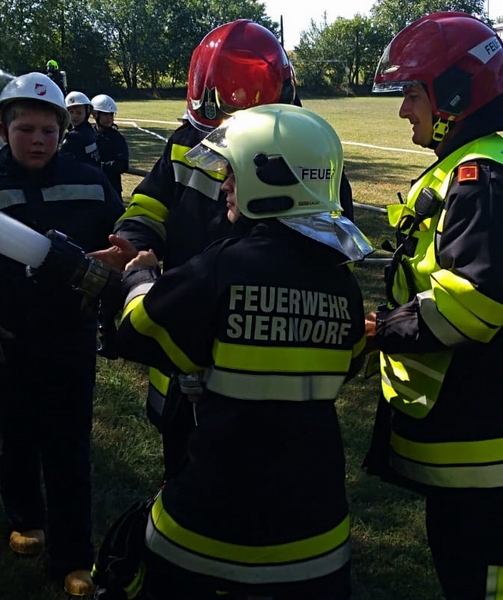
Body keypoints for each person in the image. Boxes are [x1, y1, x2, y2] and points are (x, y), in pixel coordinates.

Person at [92, 103, 371, 599]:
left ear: (270, 179)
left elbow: (139, 331)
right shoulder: (342, 284)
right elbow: (349, 362)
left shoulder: (222, 268)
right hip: (318, 538)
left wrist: (141, 276)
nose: (223, 185)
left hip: (206, 529)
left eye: (233, 173)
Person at [362, 12, 503, 600]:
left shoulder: (478, 178)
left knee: (487, 583)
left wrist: (380, 329)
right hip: (488, 436)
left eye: (412, 94)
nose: (403, 110)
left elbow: (478, 300)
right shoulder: (475, 167)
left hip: (498, 441)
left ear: (454, 97)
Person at [89, 19, 356, 481]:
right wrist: (133, 245)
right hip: (183, 321)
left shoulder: (306, 154)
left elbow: (323, 256)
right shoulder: (186, 142)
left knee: (262, 469)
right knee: (186, 464)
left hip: (258, 347)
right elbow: (149, 206)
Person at [0, 72, 124, 597]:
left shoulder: (91, 183)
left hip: (68, 341)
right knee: (12, 437)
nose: (37, 140)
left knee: (68, 446)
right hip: (0, 343)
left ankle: (73, 556)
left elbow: (118, 239)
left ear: (63, 131)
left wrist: (114, 270)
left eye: (48, 131)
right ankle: (25, 516)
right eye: (25, 129)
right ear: (3, 130)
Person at [91, 93, 130, 197]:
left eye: (111, 114)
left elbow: (122, 163)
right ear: (95, 114)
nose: (109, 118)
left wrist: (101, 167)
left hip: (112, 188)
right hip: (92, 188)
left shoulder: (117, 138)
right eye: (105, 114)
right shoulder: (88, 136)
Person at [60, 90, 101, 168]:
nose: (74, 116)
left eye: (79, 113)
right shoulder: (89, 129)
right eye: (71, 112)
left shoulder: (74, 136)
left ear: (86, 113)